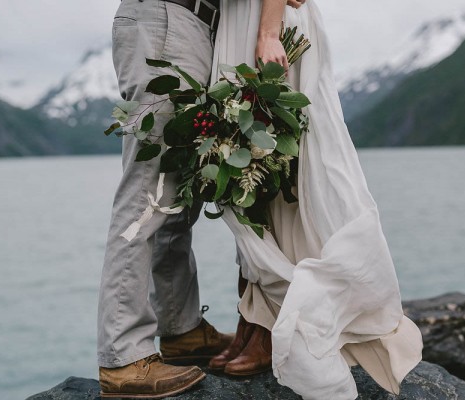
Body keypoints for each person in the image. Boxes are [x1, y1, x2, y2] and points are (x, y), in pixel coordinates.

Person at [208, 1, 424, 399]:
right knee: (244, 167)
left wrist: (268, 32)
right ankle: (251, 319)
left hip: (264, 24)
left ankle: (271, 326)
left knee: (282, 166)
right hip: (241, 23)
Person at [97, 0, 308, 398]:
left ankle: (181, 330)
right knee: (147, 194)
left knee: (174, 191)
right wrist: (267, 27)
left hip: (186, 23)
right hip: (169, 19)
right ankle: (122, 356)